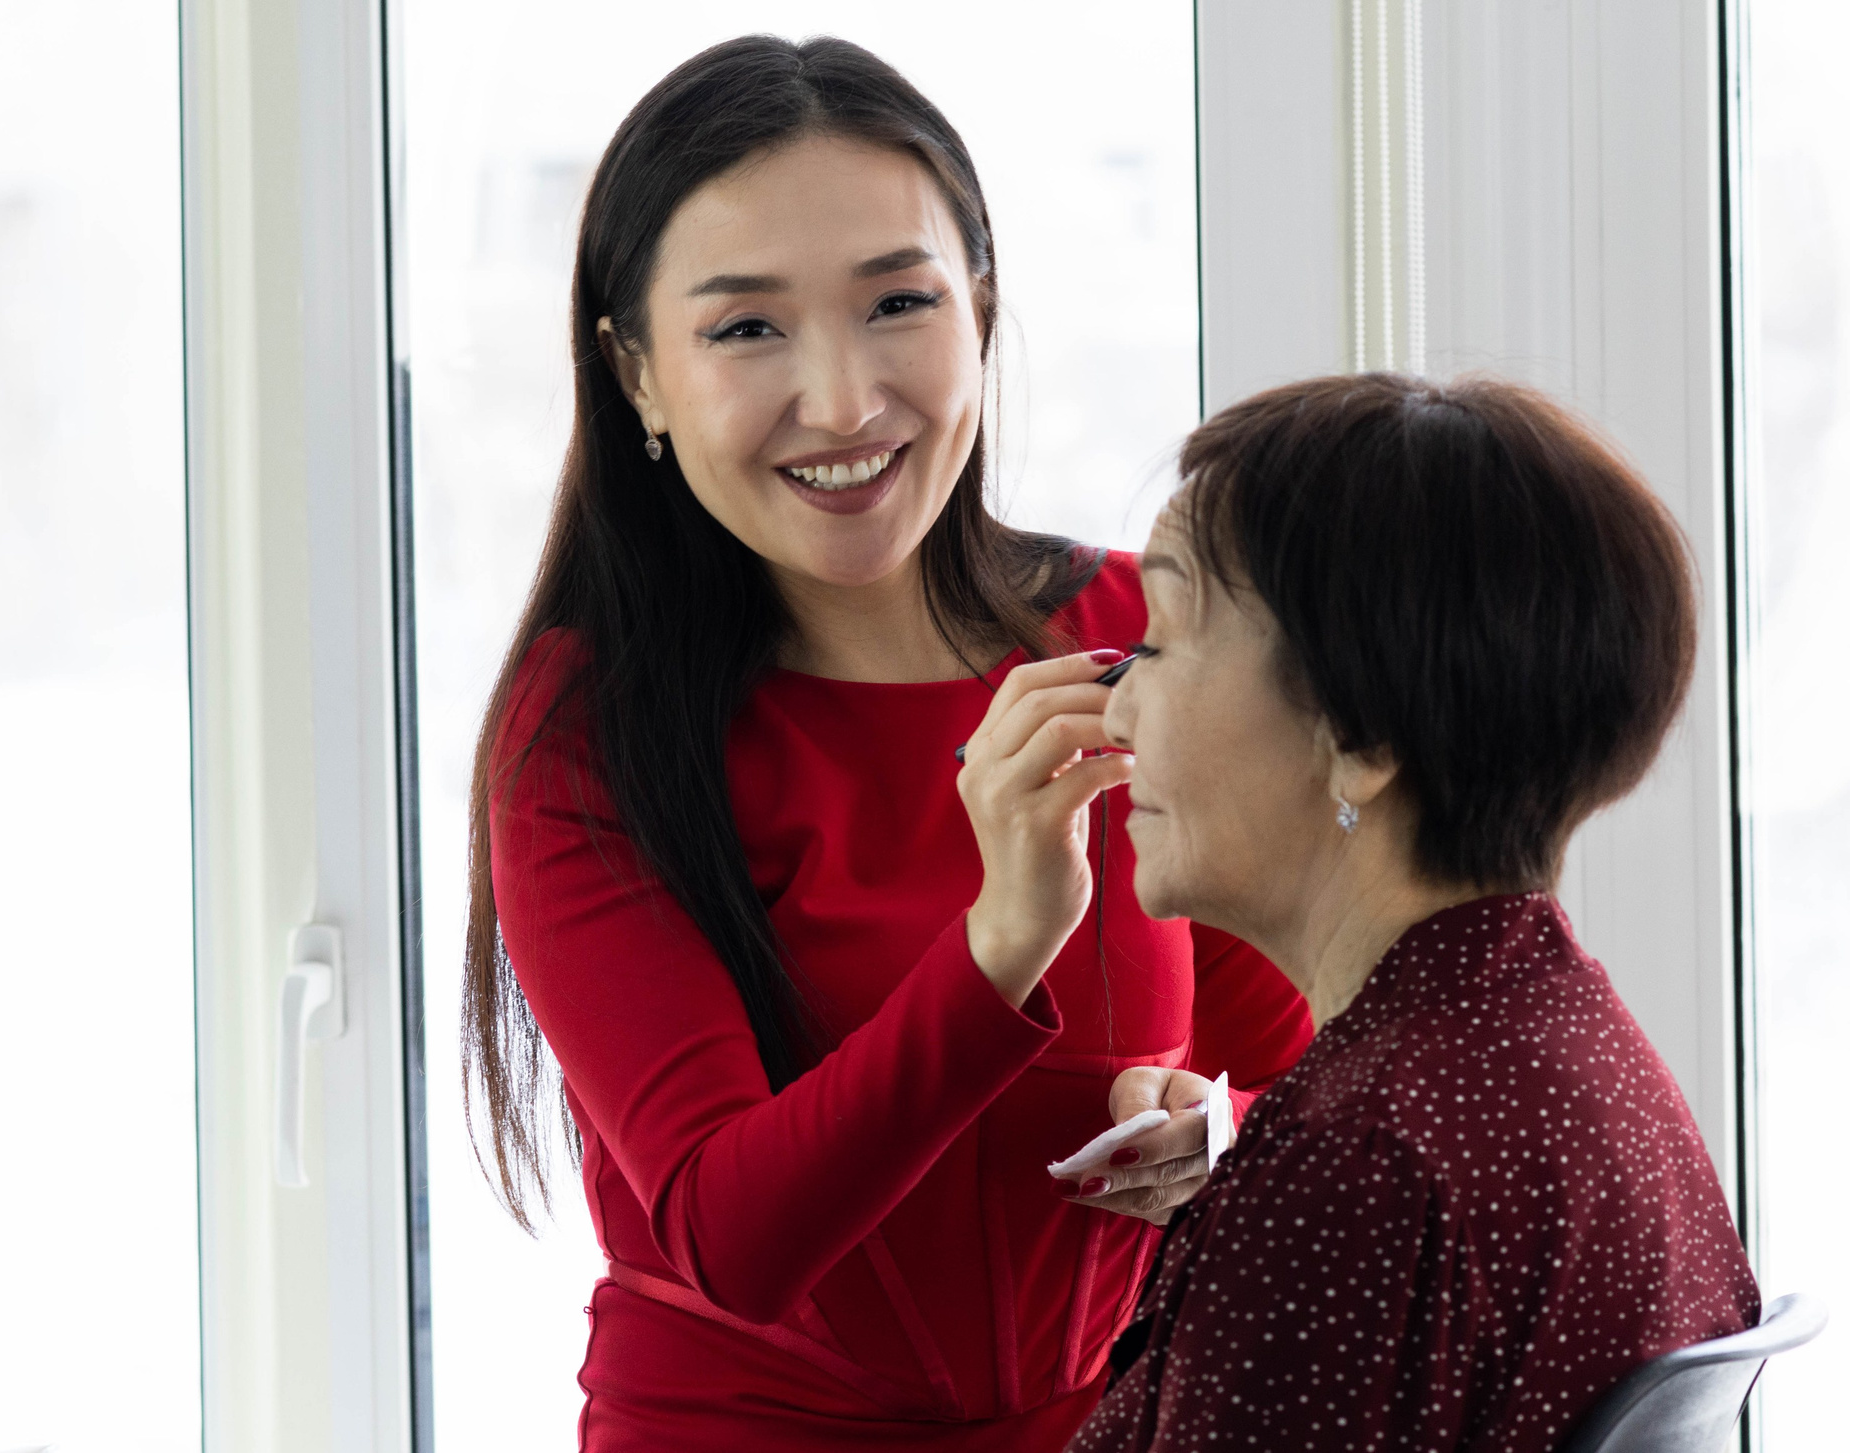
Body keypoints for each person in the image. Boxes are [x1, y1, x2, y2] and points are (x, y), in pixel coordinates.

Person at [464, 35, 1312, 1449]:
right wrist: (1001, 945)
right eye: (747, 328)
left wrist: (1215, 1134)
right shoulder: (589, 728)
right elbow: (731, 1237)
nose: (845, 402)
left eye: (898, 303)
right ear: (637, 376)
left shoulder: (1132, 633)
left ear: (980, 307)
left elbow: (1309, 1068)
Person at [1070, 373, 1761, 1452]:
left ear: (1361, 737)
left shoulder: (1355, 1164)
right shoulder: (1573, 1049)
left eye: (1156, 644)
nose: (1115, 713)